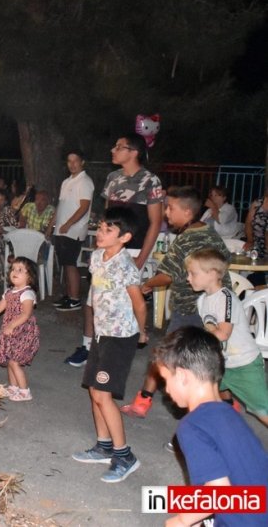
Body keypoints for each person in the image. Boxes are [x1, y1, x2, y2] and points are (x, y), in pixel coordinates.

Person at [121, 185, 231, 418]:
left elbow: (167, 275)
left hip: (190, 308)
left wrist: (147, 285)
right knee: (209, 356)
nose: (166, 213)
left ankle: (143, 400)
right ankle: (228, 404)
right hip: (217, 308)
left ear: (188, 212)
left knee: (163, 354)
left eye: (170, 208)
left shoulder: (184, 241)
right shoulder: (211, 234)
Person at [153, 326, 268, 527]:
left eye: (166, 380)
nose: (167, 390)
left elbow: (219, 491)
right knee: (163, 500)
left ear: (182, 376)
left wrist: (181, 521)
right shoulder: (231, 415)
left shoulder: (192, 426)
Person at [65, 134, 163, 367]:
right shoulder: (113, 179)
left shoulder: (150, 181)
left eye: (119, 147)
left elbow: (155, 223)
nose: (113, 150)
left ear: (134, 152)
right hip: (111, 249)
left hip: (134, 249)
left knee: (127, 302)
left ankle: (122, 345)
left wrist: (140, 258)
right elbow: (109, 218)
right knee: (94, 299)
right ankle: (88, 345)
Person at [69, 206, 146, 483]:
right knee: (94, 391)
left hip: (120, 336)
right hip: (102, 335)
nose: (100, 233)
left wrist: (142, 331)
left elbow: (138, 302)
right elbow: (95, 294)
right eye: (100, 227)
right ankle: (103, 445)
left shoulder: (126, 266)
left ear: (124, 237)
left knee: (103, 394)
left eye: (108, 230)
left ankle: (124, 455)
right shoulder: (97, 258)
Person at [187, 249, 268, 427]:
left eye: (193, 273)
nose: (188, 278)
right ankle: (201, 432)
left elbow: (223, 333)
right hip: (222, 363)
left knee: (263, 411)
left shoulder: (225, 298)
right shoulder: (202, 300)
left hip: (244, 364)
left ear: (213, 274)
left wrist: (195, 339)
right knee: (200, 396)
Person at [0, 256, 40, 402]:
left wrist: (11, 325)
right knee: (10, 360)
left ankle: (24, 391)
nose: (15, 272)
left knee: (15, 361)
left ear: (30, 277)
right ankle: (13, 387)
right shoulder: (9, 292)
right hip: (10, 331)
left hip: (23, 332)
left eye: (20, 270)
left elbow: (26, 313)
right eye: (13, 269)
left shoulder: (27, 293)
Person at [51, 151, 94, 312]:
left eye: (75, 161)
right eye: (69, 161)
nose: (72, 164)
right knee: (65, 264)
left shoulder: (85, 182)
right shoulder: (67, 181)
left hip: (73, 230)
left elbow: (84, 207)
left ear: (82, 162)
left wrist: (69, 223)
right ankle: (69, 295)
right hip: (62, 230)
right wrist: (51, 227)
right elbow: (61, 206)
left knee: (71, 264)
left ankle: (75, 299)